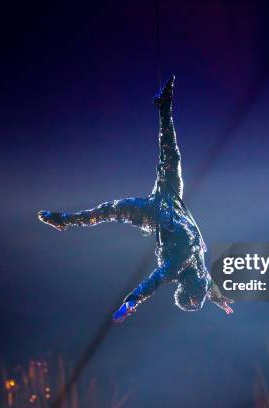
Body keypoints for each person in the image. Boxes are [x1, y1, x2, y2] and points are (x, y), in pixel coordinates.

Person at [38, 75, 233, 322]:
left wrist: (131, 301)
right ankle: (164, 105)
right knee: (171, 153)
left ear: (187, 292)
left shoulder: (174, 268)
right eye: (200, 298)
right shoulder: (200, 275)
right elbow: (207, 285)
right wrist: (217, 298)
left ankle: (65, 220)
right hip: (173, 201)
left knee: (109, 210)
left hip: (154, 213)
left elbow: (150, 284)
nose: (201, 294)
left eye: (196, 299)